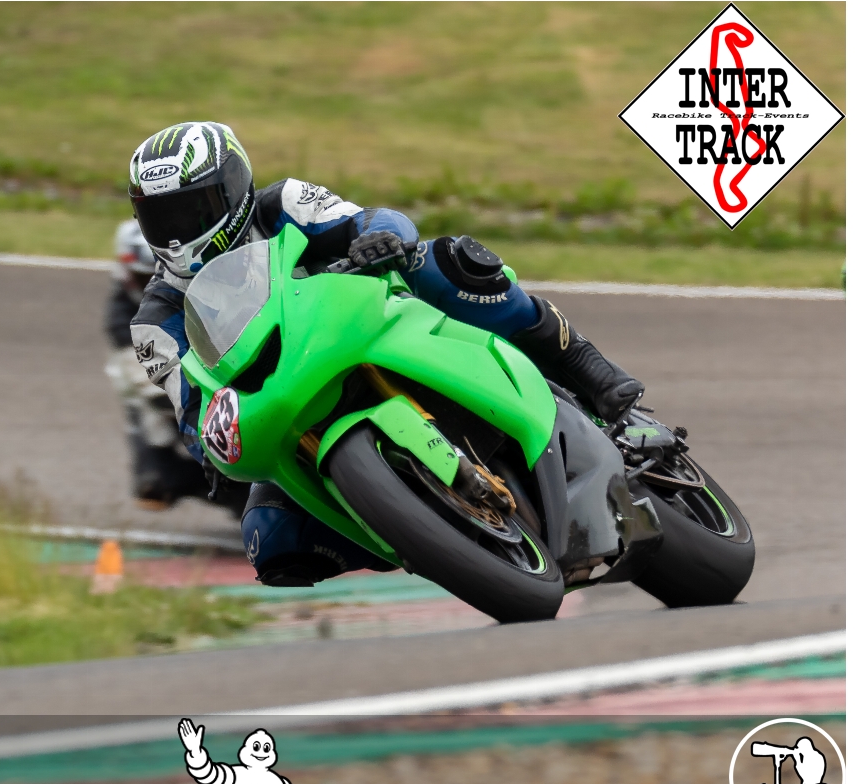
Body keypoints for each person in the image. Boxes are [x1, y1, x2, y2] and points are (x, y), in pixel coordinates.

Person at [128, 122, 643, 587]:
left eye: (190, 209)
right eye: (159, 217)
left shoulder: (282, 204)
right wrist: (212, 445)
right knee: (271, 541)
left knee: (449, 261)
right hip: (286, 403)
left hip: (373, 325)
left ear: (233, 187)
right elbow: (192, 408)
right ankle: (420, 532)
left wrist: (378, 239)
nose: (177, 230)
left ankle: (585, 367)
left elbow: (373, 219)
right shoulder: (155, 321)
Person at [103, 219, 248, 513]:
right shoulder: (123, 321)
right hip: (175, 399)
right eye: (144, 278)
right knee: (154, 484)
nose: (153, 285)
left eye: (159, 274)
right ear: (126, 274)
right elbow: (159, 390)